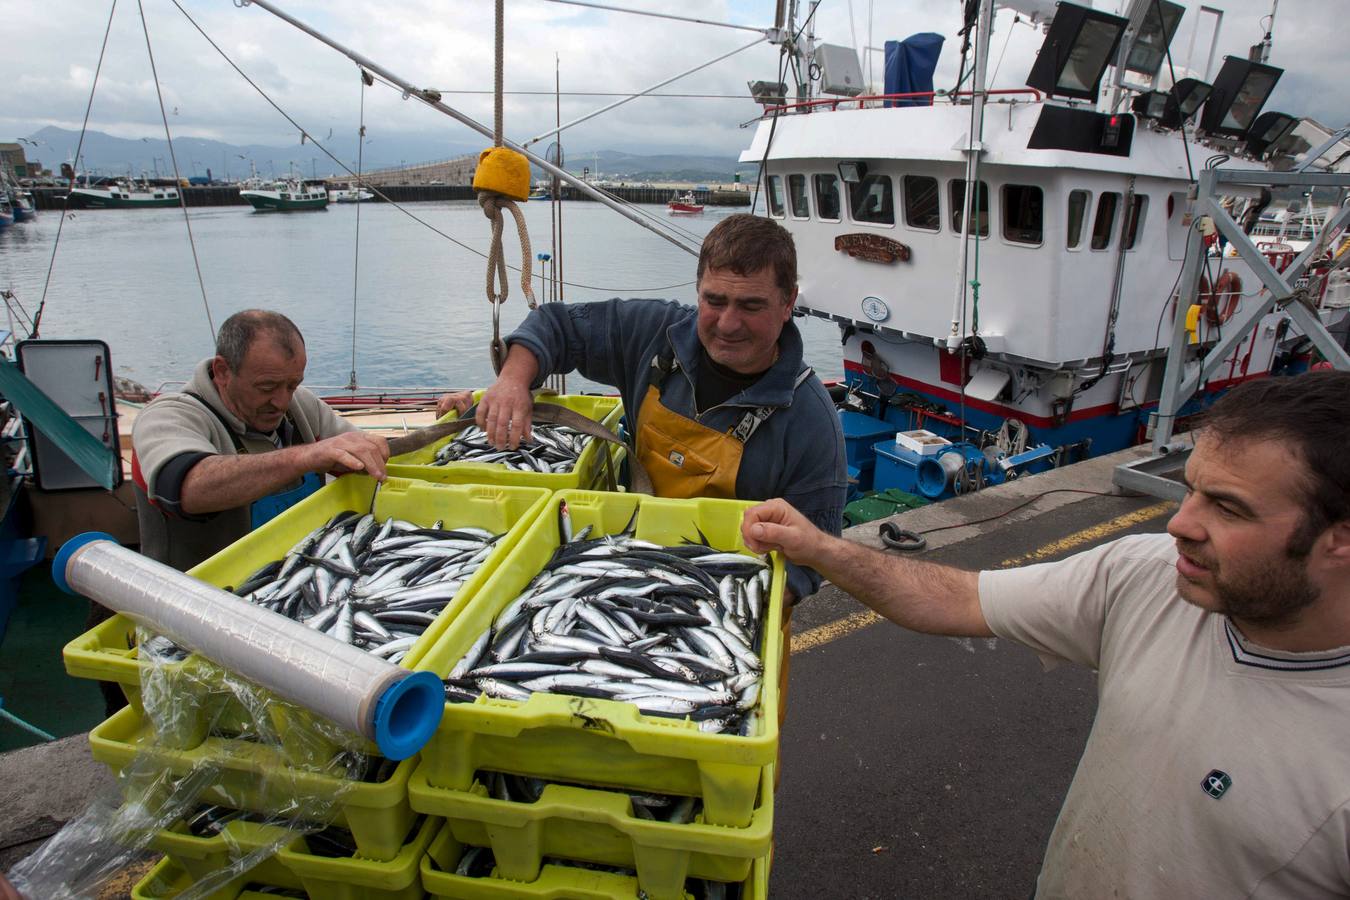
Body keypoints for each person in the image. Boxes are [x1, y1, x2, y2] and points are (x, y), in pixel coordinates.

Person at [740, 370, 1350, 898]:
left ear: (1339, 538)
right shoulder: (1144, 575)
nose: (1179, 524)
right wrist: (820, 548)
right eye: (1190, 490)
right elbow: (959, 599)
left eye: (1230, 508)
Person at [446, 213, 847, 600]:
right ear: (698, 291)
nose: (727, 323)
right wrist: (513, 381)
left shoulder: (812, 422)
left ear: (788, 301)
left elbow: (812, 559)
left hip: (723, 595)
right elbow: (557, 326)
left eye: (751, 306)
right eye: (715, 300)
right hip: (624, 567)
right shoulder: (654, 334)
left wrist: (726, 607)